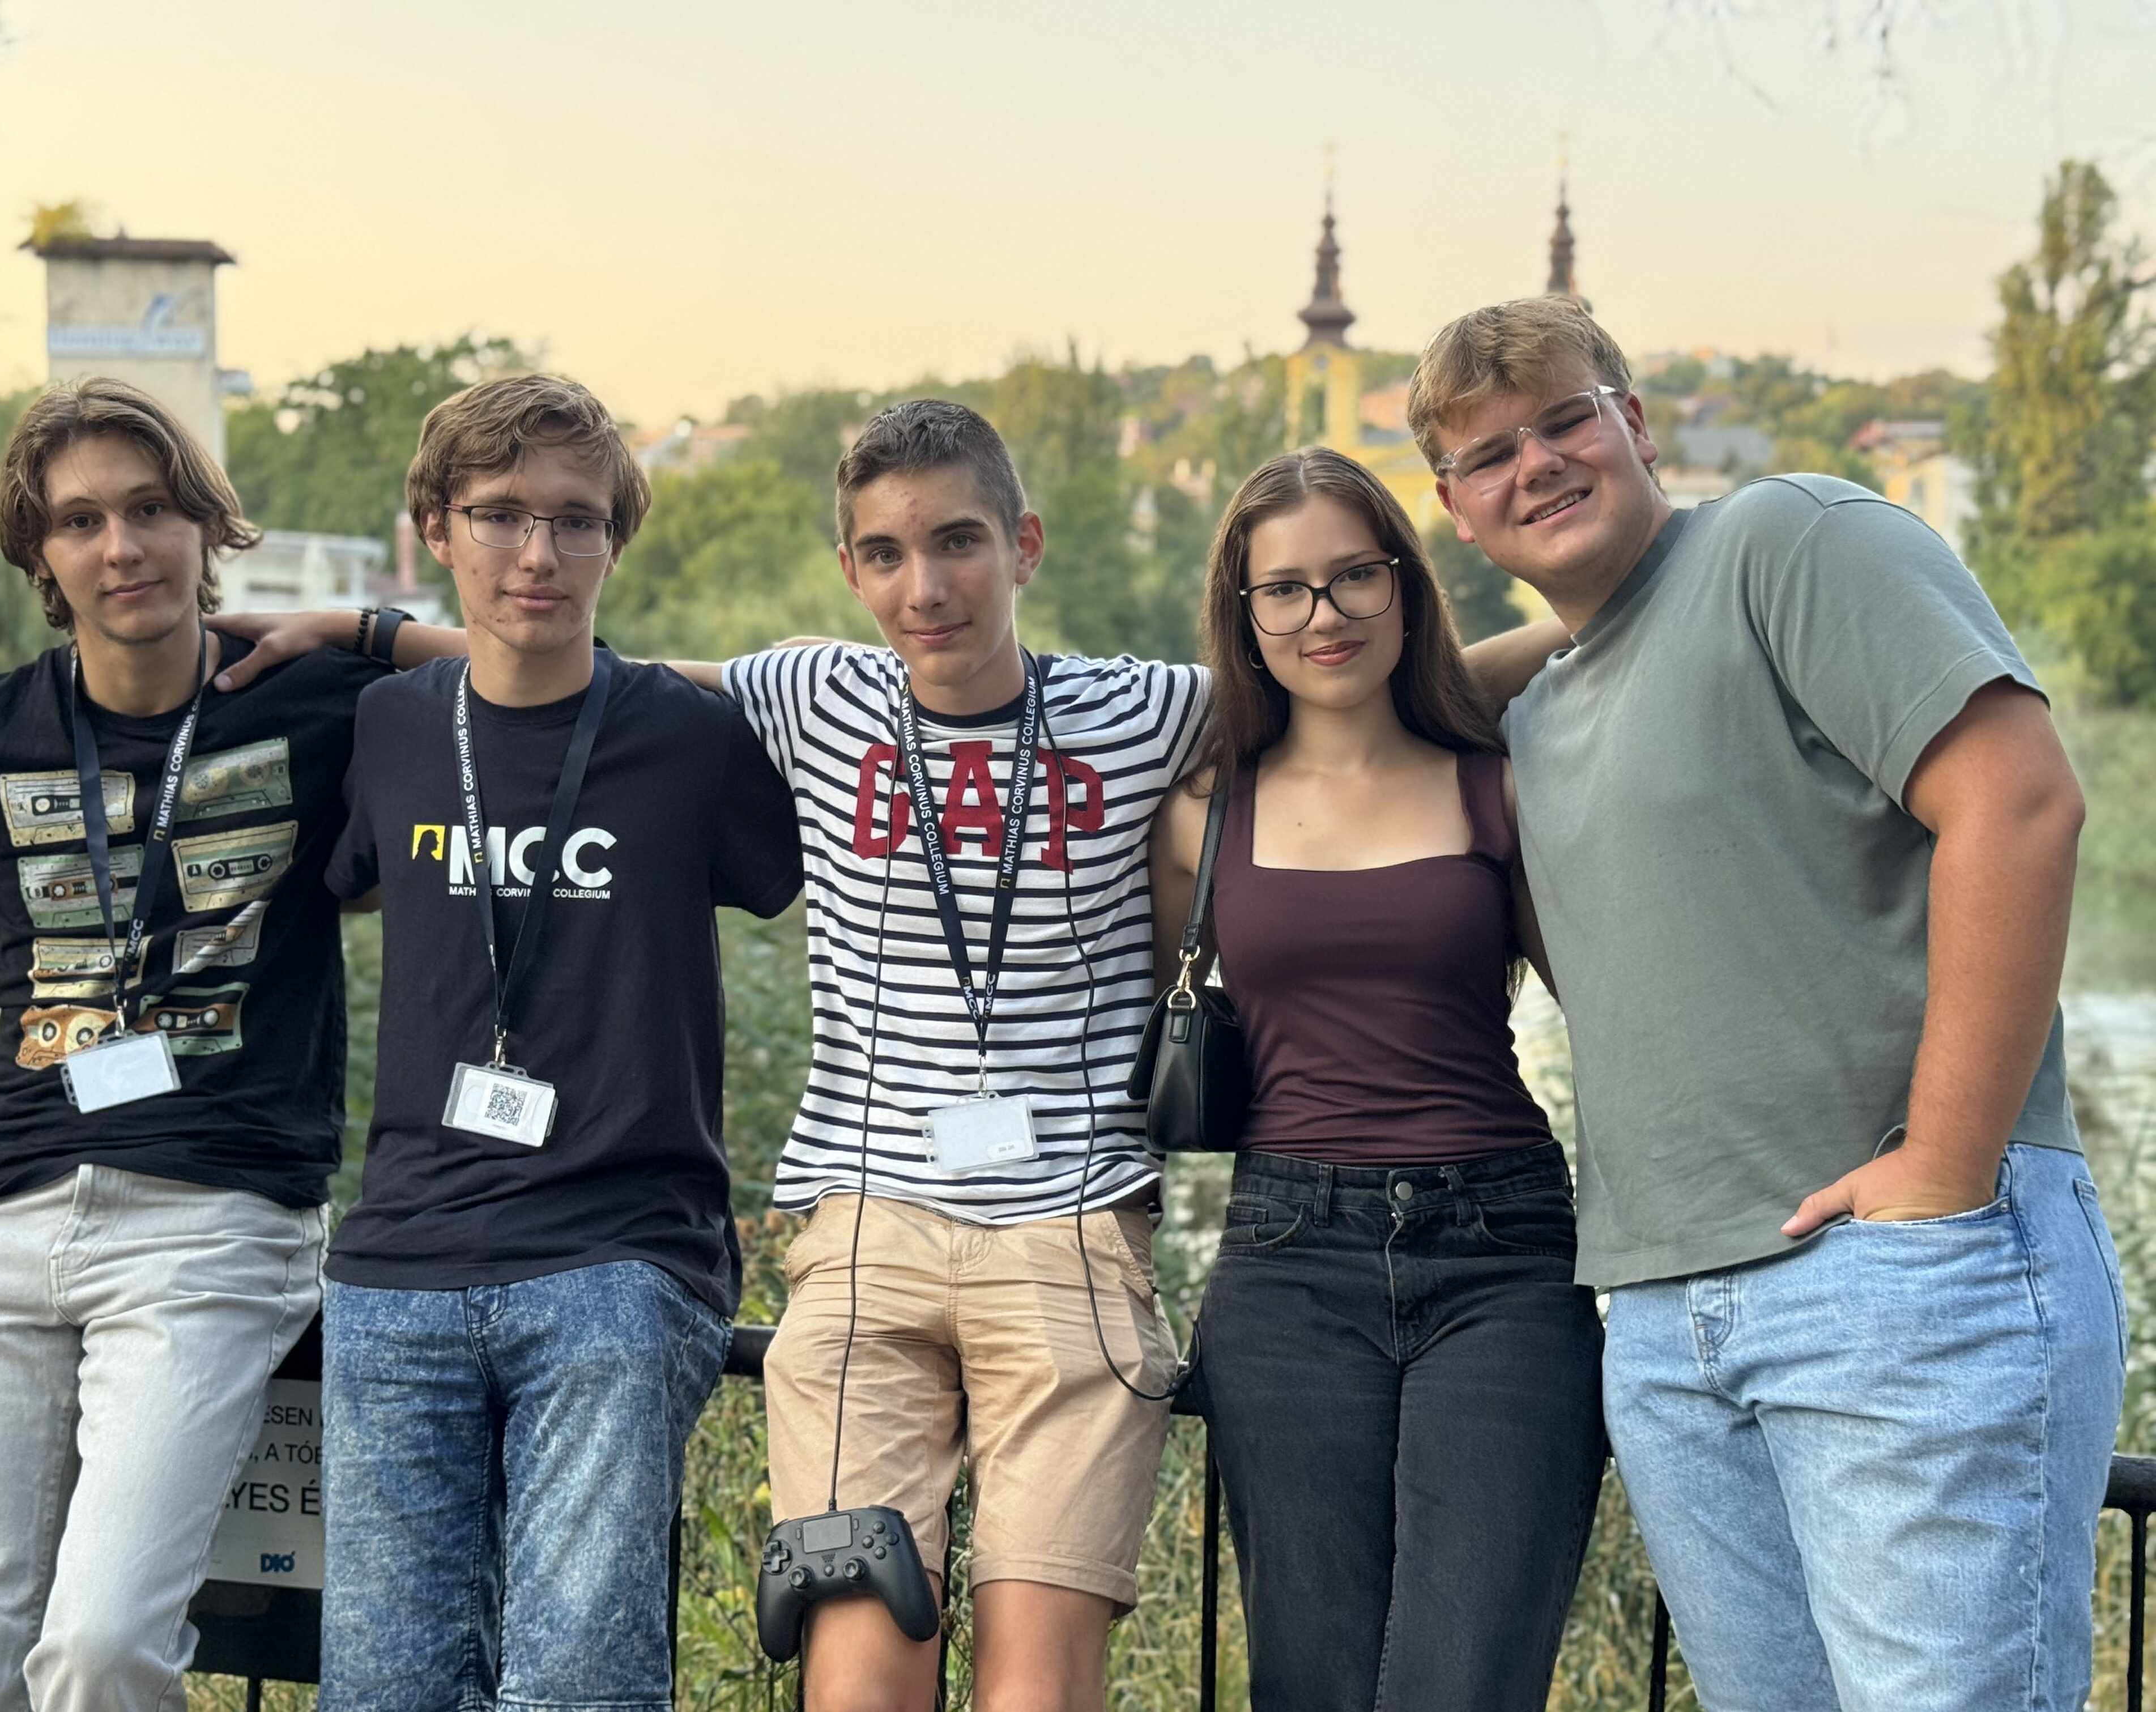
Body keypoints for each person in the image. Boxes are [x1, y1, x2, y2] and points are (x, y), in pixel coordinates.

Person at [660, 399, 1567, 1711]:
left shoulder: (1146, 712)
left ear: (1022, 544)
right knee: (857, 1668)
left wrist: (1612, 597)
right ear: (848, 567)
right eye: (887, 553)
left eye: (958, 541)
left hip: (1072, 1231)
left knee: (1041, 1683)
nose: (926, 586)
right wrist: (376, 635)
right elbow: (583, 669)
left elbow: (1355, 679)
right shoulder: (810, 691)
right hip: (866, 1236)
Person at [1407, 295, 2124, 1711]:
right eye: (1488, 455)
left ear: (1633, 422)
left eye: (1563, 421)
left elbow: (2018, 802)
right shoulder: (1535, 714)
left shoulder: (1786, 541)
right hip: (1663, 1318)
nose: (1534, 464)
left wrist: (1941, 1169)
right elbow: (1353, 710)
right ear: (1454, 510)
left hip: (1897, 1277)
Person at [0, 377, 455, 1710]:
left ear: (207, 524)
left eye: (151, 509)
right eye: (80, 521)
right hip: (2, 1221)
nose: (121, 546)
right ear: (40, 552)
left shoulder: (326, 706)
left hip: (215, 1225)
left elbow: (549, 672)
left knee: (103, 1645)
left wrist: (359, 625)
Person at [316, 373, 802, 1712]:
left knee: (578, 1683)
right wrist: (341, 633)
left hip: (616, 1255)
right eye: (500, 514)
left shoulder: (694, 740)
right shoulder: (385, 726)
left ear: (613, 542)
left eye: (576, 520)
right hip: (399, 1258)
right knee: (384, 1688)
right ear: (436, 528)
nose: (538, 552)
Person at [1149, 446, 1603, 1711]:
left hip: (1504, 1253)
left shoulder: (1497, 786)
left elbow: (1614, 1017)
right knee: (1314, 1684)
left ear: (1405, 584)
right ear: (1243, 614)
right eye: (1283, 589)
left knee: (1464, 1684)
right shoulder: (1199, 815)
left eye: (1355, 575)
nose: (1324, 613)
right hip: (1288, 1257)